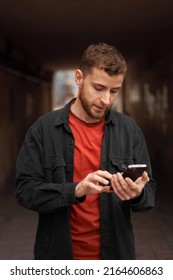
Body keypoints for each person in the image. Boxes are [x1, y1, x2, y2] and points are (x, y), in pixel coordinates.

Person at [15, 42, 156, 260]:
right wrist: (76, 190)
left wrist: (137, 194)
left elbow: (149, 194)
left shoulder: (130, 130)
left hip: (115, 259)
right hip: (58, 259)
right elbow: (25, 191)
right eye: (99, 88)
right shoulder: (43, 129)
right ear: (79, 78)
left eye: (114, 91)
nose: (106, 100)